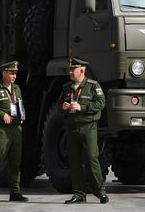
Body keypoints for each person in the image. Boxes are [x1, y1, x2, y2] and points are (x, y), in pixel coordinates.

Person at [62, 57, 109, 204]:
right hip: (72, 128)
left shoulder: (93, 86)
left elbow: (101, 103)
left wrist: (82, 107)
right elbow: (59, 105)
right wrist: (62, 107)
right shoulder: (66, 88)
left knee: (91, 160)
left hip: (88, 127)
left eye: (73, 69)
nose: (70, 72)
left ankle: (100, 193)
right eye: (70, 69)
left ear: (82, 70)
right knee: (75, 162)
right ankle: (79, 194)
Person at [0, 60, 28, 203]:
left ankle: (14, 192)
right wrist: (2, 114)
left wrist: (23, 113)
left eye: (15, 73)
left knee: (15, 162)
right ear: (4, 73)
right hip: (2, 129)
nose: (14, 75)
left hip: (16, 128)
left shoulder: (17, 89)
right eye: (11, 73)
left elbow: (20, 104)